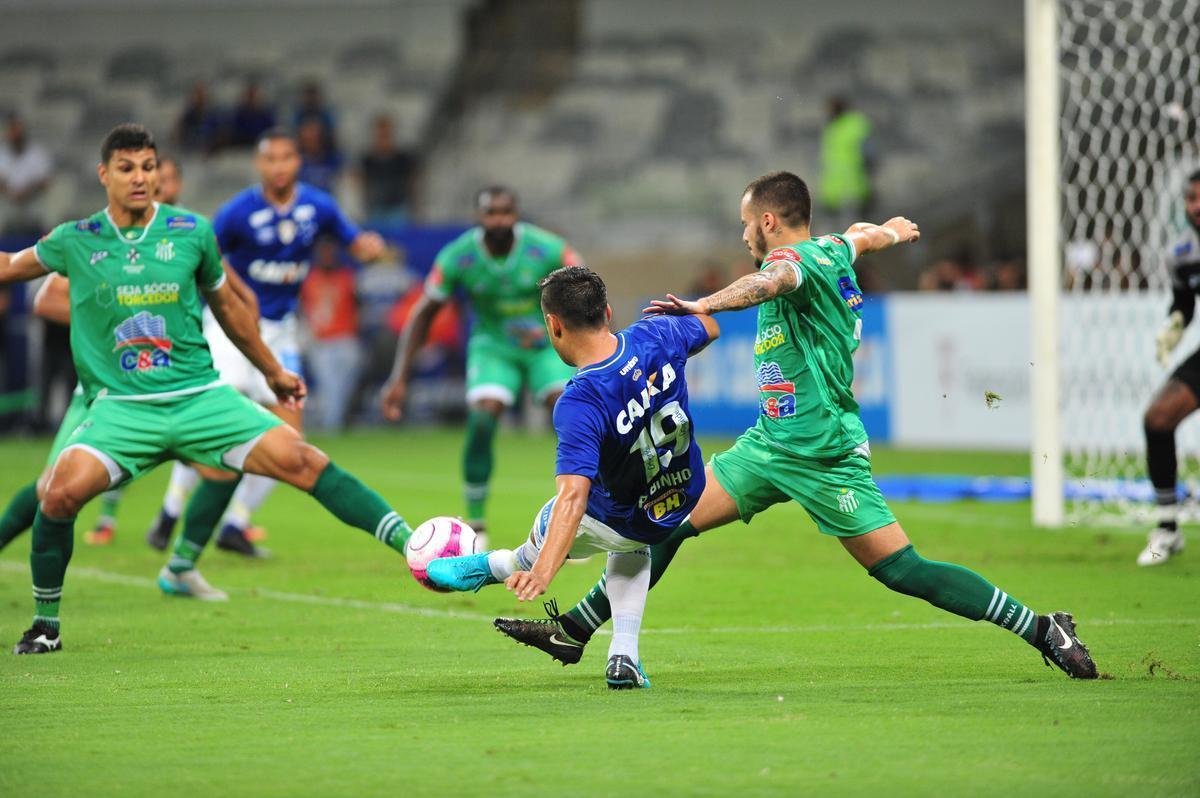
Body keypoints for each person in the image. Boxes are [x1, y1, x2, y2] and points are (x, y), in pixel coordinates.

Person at [496, 170, 1099, 680]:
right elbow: (861, 239)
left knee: (902, 570)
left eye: (744, 223)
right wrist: (890, 232)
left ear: (768, 223)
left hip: (823, 451)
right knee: (668, 518)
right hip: (769, 443)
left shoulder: (792, 261)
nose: (742, 234)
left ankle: (1044, 627)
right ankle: (577, 630)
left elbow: (769, 282)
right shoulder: (833, 247)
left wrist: (703, 303)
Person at [0, 124, 414, 654]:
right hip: (122, 408)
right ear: (104, 175)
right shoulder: (76, 239)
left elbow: (230, 309)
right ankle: (44, 625)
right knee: (56, 494)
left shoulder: (192, 231)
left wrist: (271, 370)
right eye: (126, 168)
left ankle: (415, 547)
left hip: (200, 397)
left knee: (304, 460)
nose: (140, 177)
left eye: (148, 167)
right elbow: (14, 268)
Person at [426, 267, 719, 689]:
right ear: (608, 311)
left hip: (618, 515)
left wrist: (544, 568)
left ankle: (494, 566)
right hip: (680, 497)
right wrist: (690, 311)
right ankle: (624, 657)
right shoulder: (657, 333)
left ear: (553, 325)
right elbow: (709, 327)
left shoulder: (579, 400)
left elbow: (572, 497)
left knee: (549, 534)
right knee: (636, 539)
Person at [145, 128, 388, 557]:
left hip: (280, 332)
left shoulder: (318, 206)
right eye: (271, 159)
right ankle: (171, 511)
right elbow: (204, 254)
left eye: (287, 158)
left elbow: (355, 244)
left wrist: (367, 249)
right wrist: (235, 293)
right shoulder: (238, 211)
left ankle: (236, 524)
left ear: (297, 162)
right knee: (215, 421)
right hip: (228, 324)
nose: (279, 166)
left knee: (290, 440)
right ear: (260, 165)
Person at [381, 186, 583, 544]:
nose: (499, 220)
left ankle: (581, 518)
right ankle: (476, 523)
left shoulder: (547, 248)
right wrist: (399, 377)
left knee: (567, 413)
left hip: (546, 343)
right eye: (491, 213)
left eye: (506, 212)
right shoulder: (458, 257)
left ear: (516, 214)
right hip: (493, 347)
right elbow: (424, 314)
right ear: (479, 216)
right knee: (483, 415)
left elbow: (587, 290)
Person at [1140, 169, 1200, 566]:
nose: (1196, 206)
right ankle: (1167, 527)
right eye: (1191, 198)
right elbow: (1184, 305)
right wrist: (1173, 325)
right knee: (1158, 418)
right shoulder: (1183, 253)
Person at [299, 237, 362, 430]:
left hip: (346, 338)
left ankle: (336, 419)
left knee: (346, 384)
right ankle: (332, 425)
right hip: (321, 341)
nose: (326, 257)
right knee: (330, 385)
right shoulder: (309, 280)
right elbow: (301, 310)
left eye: (330, 253)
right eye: (323, 253)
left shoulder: (346, 277)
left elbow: (359, 306)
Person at [818, 96, 873, 233]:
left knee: (855, 232)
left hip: (853, 188)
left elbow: (869, 155)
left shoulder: (854, 126)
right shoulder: (832, 127)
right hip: (833, 191)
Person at [0, 113, 53, 235]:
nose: (15, 135)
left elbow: (45, 181)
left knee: (50, 206)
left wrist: (26, 192)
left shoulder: (37, 153)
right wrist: (11, 193)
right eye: (12, 131)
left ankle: (48, 244)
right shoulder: (2, 153)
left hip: (34, 198)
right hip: (8, 199)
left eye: (18, 131)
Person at [359, 114, 417, 224]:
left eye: (386, 134)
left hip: (398, 209)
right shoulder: (368, 160)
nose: (383, 138)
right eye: (381, 134)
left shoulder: (402, 159)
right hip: (376, 210)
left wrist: (414, 206)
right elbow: (362, 183)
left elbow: (411, 182)